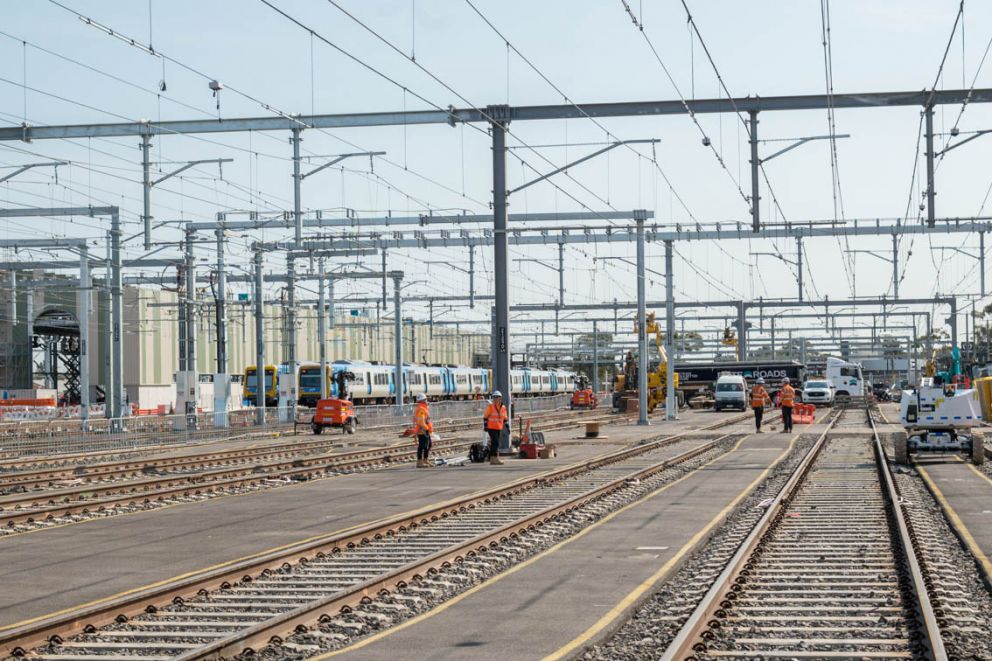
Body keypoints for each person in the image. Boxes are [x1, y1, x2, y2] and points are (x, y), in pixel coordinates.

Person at [483, 391, 508, 465]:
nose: (496, 399)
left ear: (500, 398)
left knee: (495, 443)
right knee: (495, 443)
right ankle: (494, 458)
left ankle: (492, 458)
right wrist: (485, 426)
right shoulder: (490, 406)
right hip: (491, 427)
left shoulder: (503, 407)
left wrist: (507, 426)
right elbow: (485, 417)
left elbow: (505, 418)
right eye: (494, 397)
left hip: (498, 427)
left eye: (497, 397)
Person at [413, 393, 433, 468]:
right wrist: (426, 428)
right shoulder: (421, 409)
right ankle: (419, 462)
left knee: (428, 445)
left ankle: (425, 460)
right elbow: (421, 421)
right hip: (422, 431)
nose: (426, 400)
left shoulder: (423, 408)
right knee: (422, 446)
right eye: (425, 399)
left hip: (424, 430)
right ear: (421, 400)